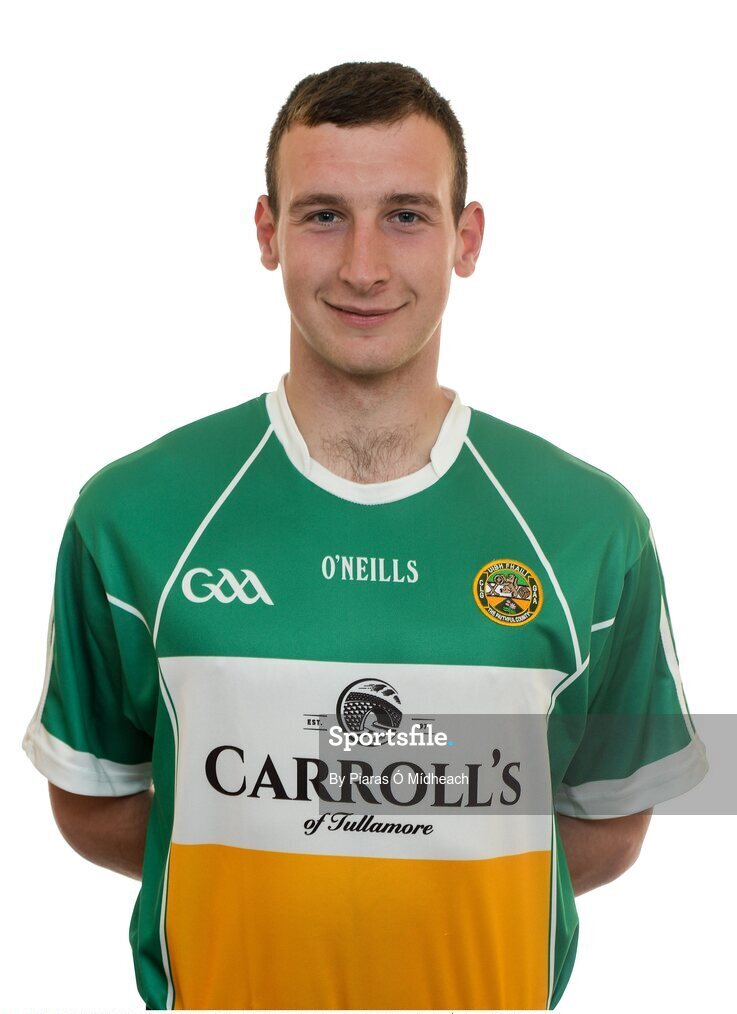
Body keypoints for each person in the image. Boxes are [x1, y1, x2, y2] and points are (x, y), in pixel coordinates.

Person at [23, 61, 708, 1011]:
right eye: (322, 215)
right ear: (267, 232)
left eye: (405, 214)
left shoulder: (591, 529)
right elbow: (96, 800)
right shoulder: (134, 513)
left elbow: (607, 820)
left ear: (465, 239)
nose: (362, 267)